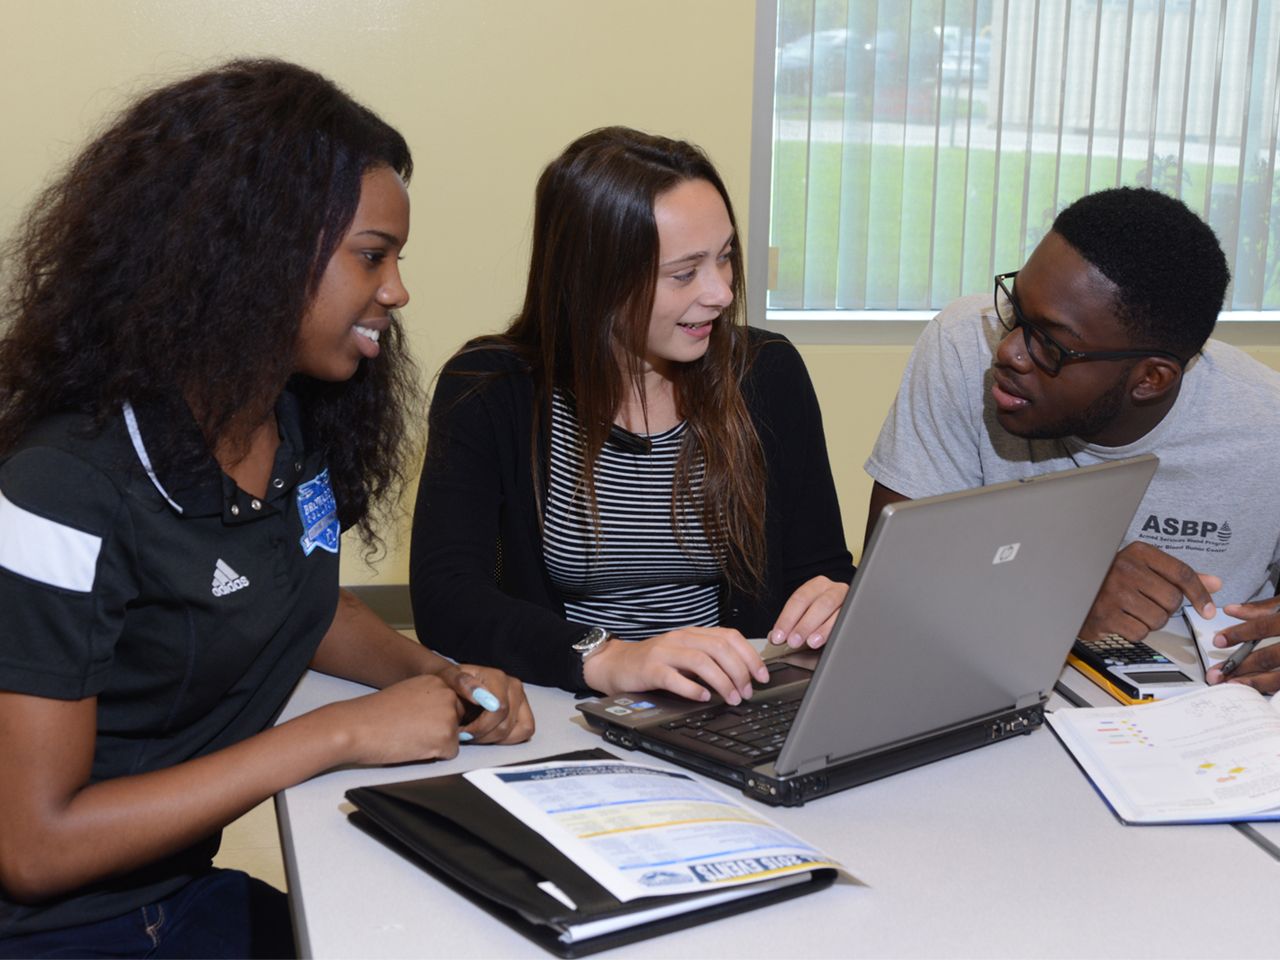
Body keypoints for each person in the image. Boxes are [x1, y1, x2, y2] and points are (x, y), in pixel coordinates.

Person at [0, 59, 532, 958]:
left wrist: (432, 674)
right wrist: (339, 735)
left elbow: (295, 597)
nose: (396, 290)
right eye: (372, 255)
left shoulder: (288, 416)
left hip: (174, 896)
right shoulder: (60, 487)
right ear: (252, 252)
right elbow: (34, 846)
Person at [409, 126, 854, 701]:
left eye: (725, 259)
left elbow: (822, 567)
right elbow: (448, 600)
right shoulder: (490, 388)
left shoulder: (767, 375)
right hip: (565, 702)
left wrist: (835, 600)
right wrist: (609, 657)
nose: (720, 292)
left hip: (736, 701)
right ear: (592, 280)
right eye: (685, 272)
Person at [864, 186, 1280, 693]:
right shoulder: (961, 345)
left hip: (1202, 727)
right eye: (1016, 312)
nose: (1010, 352)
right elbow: (885, 601)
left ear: (1150, 379)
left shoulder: (1265, 426)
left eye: (1050, 344)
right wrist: (1067, 602)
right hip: (992, 694)